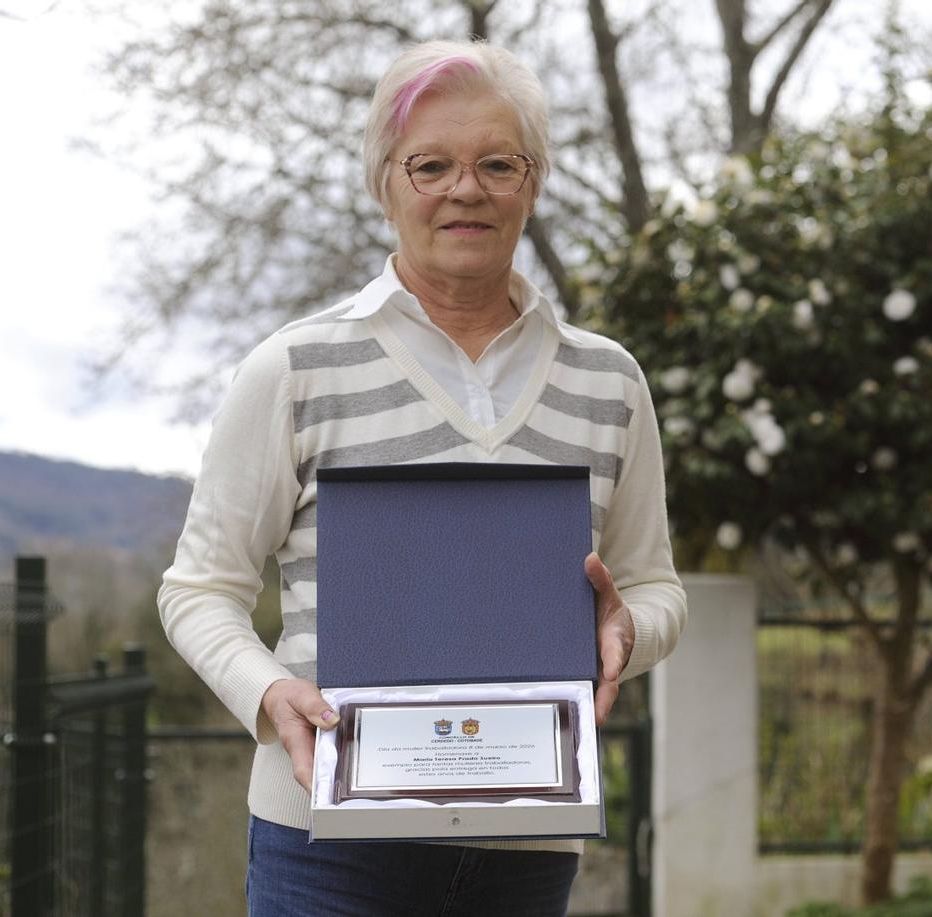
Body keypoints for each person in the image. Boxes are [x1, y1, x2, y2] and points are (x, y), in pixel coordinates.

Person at [159, 38, 686, 917]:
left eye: (497, 163)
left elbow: (654, 585)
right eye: (430, 164)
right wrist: (267, 694)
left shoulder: (610, 381)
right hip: (320, 844)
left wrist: (628, 634)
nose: (465, 189)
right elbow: (198, 589)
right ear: (386, 183)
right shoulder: (294, 368)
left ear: (534, 181)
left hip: (529, 840)